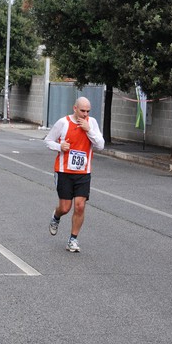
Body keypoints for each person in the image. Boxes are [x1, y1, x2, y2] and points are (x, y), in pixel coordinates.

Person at [45, 96, 105, 252]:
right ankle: (56, 216)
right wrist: (60, 146)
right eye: (82, 111)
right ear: (75, 108)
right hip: (64, 171)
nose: (85, 114)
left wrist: (89, 130)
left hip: (83, 172)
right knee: (65, 208)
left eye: (88, 111)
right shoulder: (63, 123)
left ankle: (73, 239)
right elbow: (48, 140)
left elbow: (100, 145)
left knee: (79, 207)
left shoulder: (91, 123)